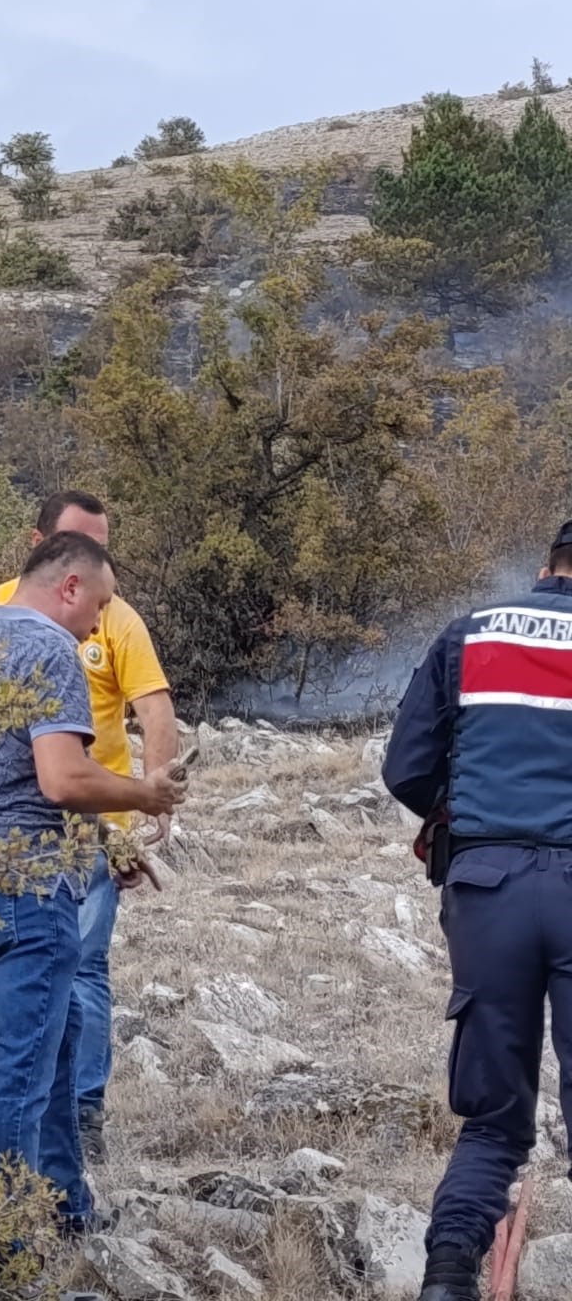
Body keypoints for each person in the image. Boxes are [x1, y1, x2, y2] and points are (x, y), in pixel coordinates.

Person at [0, 530, 185, 1238]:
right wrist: (148, 796)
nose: (99, 626)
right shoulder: (50, 646)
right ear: (71, 586)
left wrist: (105, 844)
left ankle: (69, 1209)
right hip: (25, 882)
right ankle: (6, 1259)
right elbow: (60, 777)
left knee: (62, 1029)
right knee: (20, 1071)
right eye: (100, 607)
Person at [383, 520, 572, 1301]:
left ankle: (448, 1276)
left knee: (495, 1120)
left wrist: (463, 819)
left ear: (544, 568)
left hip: (486, 889)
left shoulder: (469, 634)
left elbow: (404, 769)